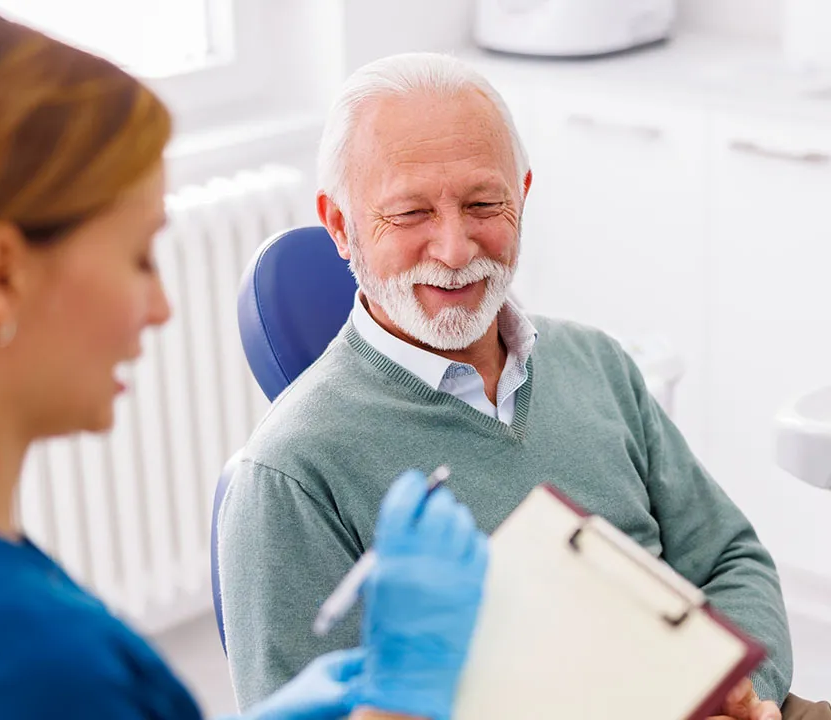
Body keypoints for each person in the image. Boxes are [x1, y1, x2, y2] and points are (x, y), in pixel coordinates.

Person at [0, 11, 490, 720]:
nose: (161, 306)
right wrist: (403, 699)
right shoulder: (13, 660)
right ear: (1, 277)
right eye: (138, 256)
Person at [218, 52, 831, 720]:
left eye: (484, 203)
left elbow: (730, 559)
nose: (454, 250)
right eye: (411, 213)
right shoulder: (288, 477)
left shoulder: (596, 364)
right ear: (340, 225)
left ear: (524, 196)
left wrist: (754, 696)